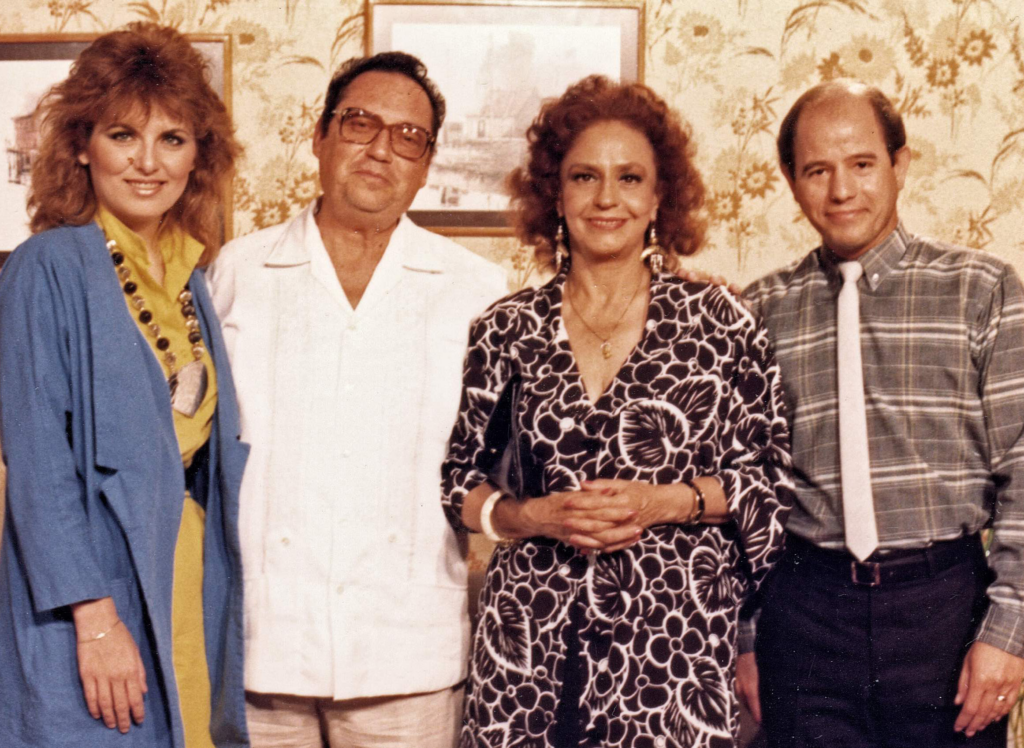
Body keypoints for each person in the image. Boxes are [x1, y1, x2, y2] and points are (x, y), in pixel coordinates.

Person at [440, 75, 794, 748]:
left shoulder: (721, 322)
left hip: (673, 648)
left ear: (660, 196)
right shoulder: (505, 328)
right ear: (555, 194)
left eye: (630, 178)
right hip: (527, 648)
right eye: (584, 177)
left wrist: (663, 503)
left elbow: (771, 482)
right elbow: (460, 482)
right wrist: (531, 516)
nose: (607, 198)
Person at [206, 52, 506, 747]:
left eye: (409, 136)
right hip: (260, 647)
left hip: (409, 654)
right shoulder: (237, 273)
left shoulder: (476, 290)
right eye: (360, 124)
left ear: (427, 165)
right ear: (319, 137)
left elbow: (501, 464)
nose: (381, 149)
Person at [739, 79, 1024, 746]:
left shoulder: (982, 291)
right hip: (805, 615)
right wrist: (746, 637)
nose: (842, 190)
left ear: (900, 164)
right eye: (817, 170)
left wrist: (1009, 631)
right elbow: (745, 490)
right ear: (790, 180)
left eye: (862, 164)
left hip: (945, 613)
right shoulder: (758, 311)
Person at [0, 23, 247, 748]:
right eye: (122, 135)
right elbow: (38, 465)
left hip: (183, 574)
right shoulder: (46, 268)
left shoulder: (193, 276)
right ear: (82, 144)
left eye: (172, 139)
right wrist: (95, 619)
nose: (147, 162)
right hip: (90, 592)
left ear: (198, 155)